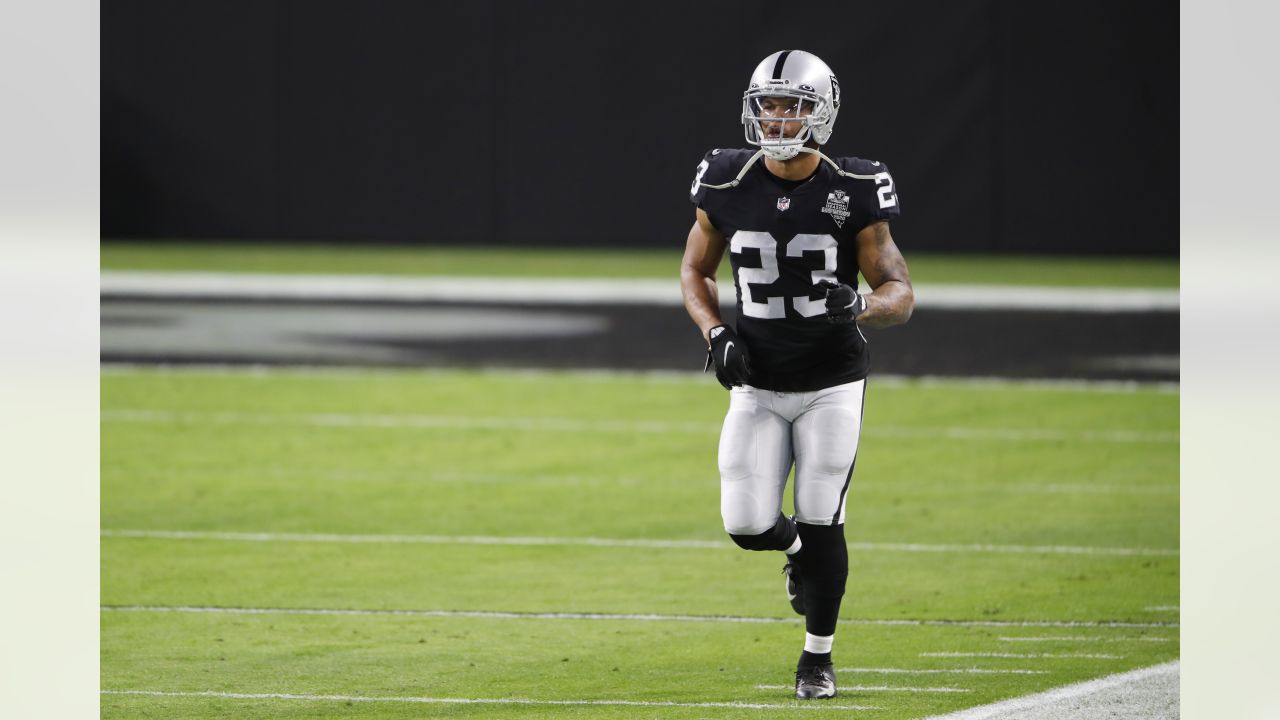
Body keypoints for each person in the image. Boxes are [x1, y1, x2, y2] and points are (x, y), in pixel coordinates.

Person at [679, 49, 914, 700]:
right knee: (748, 524)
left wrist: (863, 304)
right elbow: (694, 270)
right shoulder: (724, 178)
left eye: (793, 106)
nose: (778, 120)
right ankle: (800, 557)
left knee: (822, 513)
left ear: (823, 112)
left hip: (830, 381)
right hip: (755, 379)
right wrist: (715, 331)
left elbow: (899, 291)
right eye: (769, 105)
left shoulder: (855, 184)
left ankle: (817, 656)